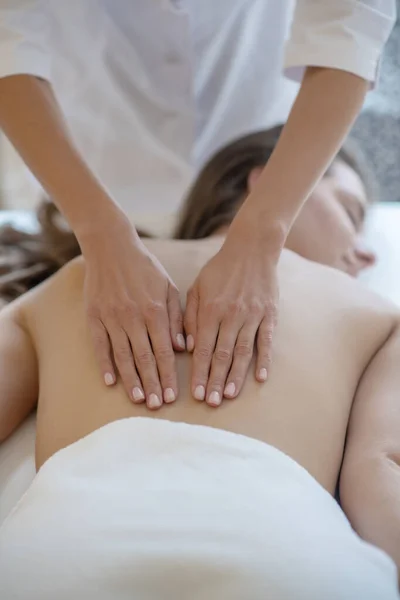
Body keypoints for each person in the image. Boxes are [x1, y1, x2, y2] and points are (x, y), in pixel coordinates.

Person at [0, 131, 399, 599]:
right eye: (351, 213)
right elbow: (380, 467)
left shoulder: (65, 287)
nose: (367, 251)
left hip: (58, 555)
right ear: (269, 181)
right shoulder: (374, 314)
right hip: (286, 553)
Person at [0, 2, 396, 409]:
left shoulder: (373, 325)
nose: (367, 254)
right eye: (350, 212)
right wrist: (99, 232)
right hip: (98, 128)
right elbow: (8, 38)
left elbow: (349, 30)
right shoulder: (67, 292)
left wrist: (263, 233)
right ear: (257, 181)